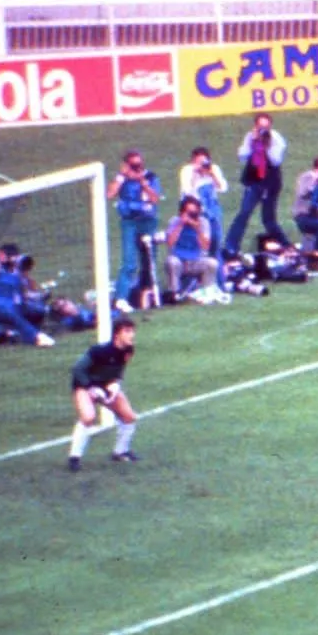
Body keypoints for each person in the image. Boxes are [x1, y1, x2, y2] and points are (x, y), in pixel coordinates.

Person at [67, 320, 140, 471]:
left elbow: (119, 369)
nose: (132, 335)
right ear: (117, 334)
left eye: (132, 331)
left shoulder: (128, 350)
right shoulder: (100, 351)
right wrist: (90, 387)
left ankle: (120, 452)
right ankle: (74, 457)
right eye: (127, 331)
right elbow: (78, 369)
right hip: (84, 385)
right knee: (88, 417)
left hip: (104, 386)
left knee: (129, 417)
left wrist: (115, 383)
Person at [225, 113, 293, 257]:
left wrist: (267, 145)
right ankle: (231, 247)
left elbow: (276, 161)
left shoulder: (276, 139)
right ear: (255, 126)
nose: (263, 130)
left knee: (268, 219)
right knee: (244, 213)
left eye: (266, 127)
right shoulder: (250, 136)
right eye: (260, 126)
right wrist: (252, 142)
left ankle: (286, 245)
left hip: (270, 183)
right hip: (254, 181)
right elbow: (242, 156)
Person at [107, 150, 163, 307]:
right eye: (133, 165)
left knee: (149, 261)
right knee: (129, 261)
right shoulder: (122, 179)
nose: (137, 168)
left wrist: (143, 184)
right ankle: (120, 298)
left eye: (139, 164)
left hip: (148, 221)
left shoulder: (150, 177)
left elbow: (155, 199)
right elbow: (109, 194)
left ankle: (146, 295)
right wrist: (121, 176)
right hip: (130, 222)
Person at [0, 243, 55, 346]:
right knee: (11, 314)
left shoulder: (16, 271)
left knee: (38, 310)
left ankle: (20, 333)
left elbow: (28, 291)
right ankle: (31, 336)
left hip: (12, 305)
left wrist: (24, 272)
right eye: (9, 255)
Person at [164, 195, 221, 296]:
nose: (191, 216)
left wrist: (197, 229)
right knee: (171, 262)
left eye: (194, 213)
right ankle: (173, 293)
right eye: (189, 213)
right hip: (179, 260)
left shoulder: (203, 222)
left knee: (212, 263)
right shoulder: (174, 221)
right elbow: (170, 243)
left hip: (196, 260)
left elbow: (205, 247)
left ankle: (206, 292)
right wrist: (180, 224)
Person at [178, 147, 228, 249]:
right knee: (198, 238)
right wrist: (195, 175)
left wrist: (212, 175)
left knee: (215, 237)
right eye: (198, 162)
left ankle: (215, 256)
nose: (202, 165)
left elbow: (223, 188)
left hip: (212, 208)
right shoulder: (187, 171)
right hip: (194, 209)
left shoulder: (214, 169)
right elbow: (188, 192)